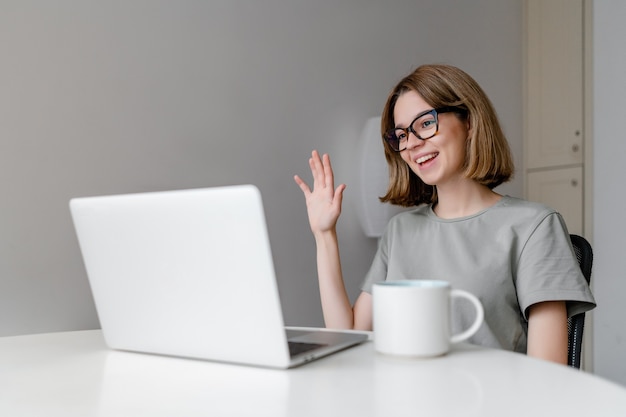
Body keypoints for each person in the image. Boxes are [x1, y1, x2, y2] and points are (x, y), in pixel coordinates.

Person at [294, 64, 595, 364]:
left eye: (425, 123)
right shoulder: (400, 231)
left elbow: (547, 374)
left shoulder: (534, 226)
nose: (411, 143)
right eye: (401, 135)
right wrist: (324, 235)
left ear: (470, 123)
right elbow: (347, 334)